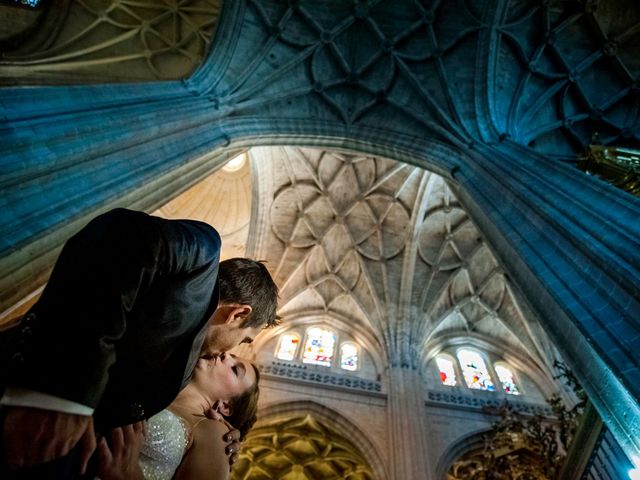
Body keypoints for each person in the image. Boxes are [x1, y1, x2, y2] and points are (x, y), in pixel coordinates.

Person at [0, 208, 279, 477]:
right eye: (244, 339)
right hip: (22, 392)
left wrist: (226, 432)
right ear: (238, 314)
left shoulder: (184, 372)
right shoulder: (203, 254)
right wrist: (63, 398)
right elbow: (120, 235)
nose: (229, 352)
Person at [97, 352, 260, 480]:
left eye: (235, 369)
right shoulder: (155, 382)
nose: (226, 355)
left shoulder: (216, 433)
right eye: (232, 355)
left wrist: (129, 475)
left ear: (226, 406)